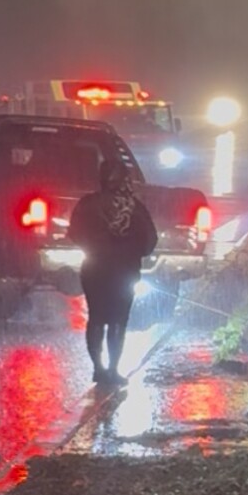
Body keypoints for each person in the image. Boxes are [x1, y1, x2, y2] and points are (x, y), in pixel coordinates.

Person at [69, 158, 158, 386]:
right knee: (118, 320)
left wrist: (96, 247)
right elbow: (150, 242)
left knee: (96, 318)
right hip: (125, 272)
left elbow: (75, 233)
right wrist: (129, 251)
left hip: (94, 270)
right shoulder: (135, 208)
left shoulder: (87, 204)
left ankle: (98, 368)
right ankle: (113, 369)